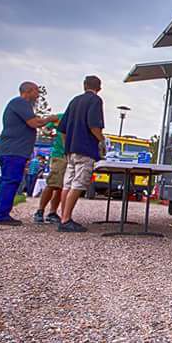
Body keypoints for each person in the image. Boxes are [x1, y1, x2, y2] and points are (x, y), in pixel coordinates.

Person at [0, 82, 59, 225]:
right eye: (36, 92)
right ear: (28, 91)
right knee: (10, 181)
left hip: (15, 151)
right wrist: (49, 119)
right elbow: (33, 123)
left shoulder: (19, 104)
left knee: (10, 181)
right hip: (13, 151)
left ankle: (1, 213)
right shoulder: (20, 102)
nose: (38, 95)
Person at [57, 75, 105, 232]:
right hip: (85, 149)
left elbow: (62, 129)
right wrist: (101, 140)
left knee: (68, 184)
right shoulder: (95, 101)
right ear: (99, 88)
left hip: (71, 149)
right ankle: (66, 220)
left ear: (84, 85)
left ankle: (64, 215)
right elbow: (93, 125)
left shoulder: (74, 101)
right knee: (78, 184)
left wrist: (67, 146)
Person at [33, 113, 66, 224]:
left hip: (70, 155)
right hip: (59, 154)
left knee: (61, 186)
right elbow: (46, 128)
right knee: (52, 183)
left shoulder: (82, 119)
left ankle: (52, 212)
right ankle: (40, 211)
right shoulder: (62, 116)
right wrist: (48, 132)